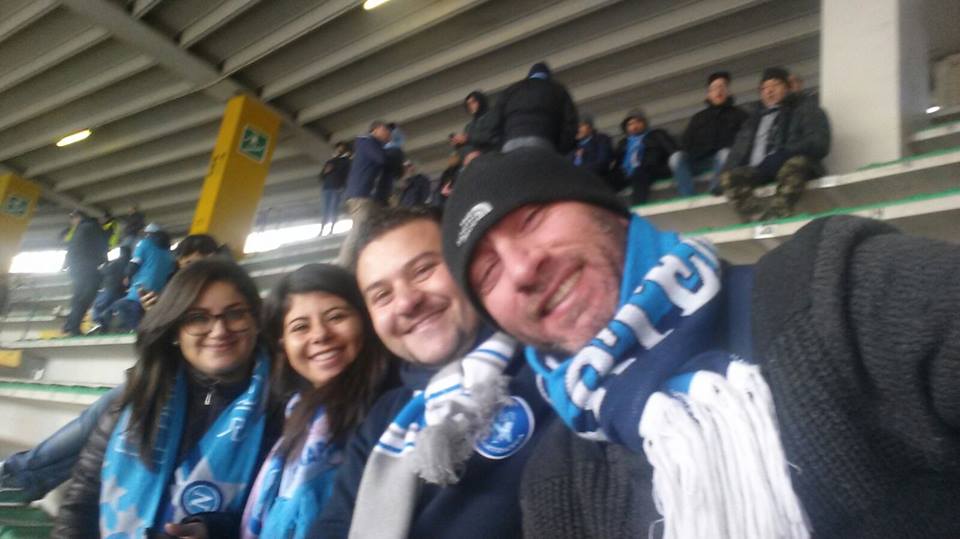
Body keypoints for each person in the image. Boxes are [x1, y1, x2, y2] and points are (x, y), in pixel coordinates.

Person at [441, 148, 960, 538]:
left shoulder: (835, 285)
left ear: (610, 210)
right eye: (489, 273)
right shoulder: (561, 476)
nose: (523, 269)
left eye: (532, 219)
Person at [315, 207, 556, 538]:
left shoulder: (551, 366)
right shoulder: (383, 418)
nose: (406, 302)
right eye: (382, 295)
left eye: (423, 270)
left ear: (467, 264)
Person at [53, 259, 281, 538]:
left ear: (256, 321)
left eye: (235, 314)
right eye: (198, 318)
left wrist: (213, 531)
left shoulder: (282, 409)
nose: (220, 330)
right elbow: (82, 500)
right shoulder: (139, 395)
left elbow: (278, 518)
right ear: (175, 330)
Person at [0, 235, 224, 501]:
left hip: (182, 391)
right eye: (187, 264)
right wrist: (156, 315)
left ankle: (17, 475)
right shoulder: (175, 292)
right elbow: (154, 346)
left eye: (199, 263)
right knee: (93, 427)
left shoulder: (221, 298)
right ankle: (21, 479)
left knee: (99, 431)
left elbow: (202, 351)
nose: (193, 270)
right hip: (154, 378)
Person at [720, 67, 831, 221]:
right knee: (729, 177)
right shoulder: (752, 121)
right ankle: (759, 218)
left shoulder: (806, 109)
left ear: (788, 88)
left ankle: (779, 212)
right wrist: (722, 178)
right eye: (764, 87)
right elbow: (736, 153)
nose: (769, 90)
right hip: (759, 171)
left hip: (791, 165)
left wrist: (783, 154)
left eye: (775, 85)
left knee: (796, 162)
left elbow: (819, 143)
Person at [669, 71, 748, 196]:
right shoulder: (698, 118)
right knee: (676, 157)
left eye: (722, 87)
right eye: (714, 88)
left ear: (728, 92)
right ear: (709, 94)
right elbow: (685, 143)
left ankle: (715, 190)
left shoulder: (740, 115)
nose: (718, 91)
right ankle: (688, 196)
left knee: (724, 153)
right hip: (700, 162)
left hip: (724, 161)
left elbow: (745, 141)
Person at [337, 120, 393, 265]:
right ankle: (343, 266)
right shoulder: (366, 141)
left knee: (371, 232)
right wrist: (392, 151)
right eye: (386, 129)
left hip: (369, 197)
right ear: (375, 129)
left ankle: (366, 264)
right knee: (358, 231)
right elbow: (381, 159)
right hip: (361, 195)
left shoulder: (373, 145)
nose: (389, 133)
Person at [103, 223, 176, 332]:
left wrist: (127, 275)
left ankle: (135, 330)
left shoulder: (145, 243)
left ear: (148, 234)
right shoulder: (168, 251)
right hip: (158, 293)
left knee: (119, 307)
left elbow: (135, 262)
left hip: (141, 288)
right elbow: (170, 273)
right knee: (141, 311)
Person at [493, 61, 578, 154]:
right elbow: (570, 123)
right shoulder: (558, 90)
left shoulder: (510, 90)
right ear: (549, 77)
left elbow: (494, 122)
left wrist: (501, 147)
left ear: (529, 76)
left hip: (510, 144)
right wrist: (559, 150)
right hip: (544, 143)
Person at [613, 109, 677, 205]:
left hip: (651, 169)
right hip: (628, 173)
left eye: (638, 122)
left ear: (644, 123)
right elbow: (617, 162)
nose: (634, 126)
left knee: (639, 172)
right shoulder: (623, 143)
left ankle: (638, 207)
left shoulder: (656, 135)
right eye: (630, 124)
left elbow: (672, 151)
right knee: (607, 180)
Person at [62, 209, 109, 336]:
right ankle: (72, 326)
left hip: (79, 269)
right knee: (85, 297)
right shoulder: (91, 227)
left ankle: (70, 325)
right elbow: (103, 245)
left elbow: (72, 249)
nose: (72, 222)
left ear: (79, 217)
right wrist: (104, 262)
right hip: (88, 268)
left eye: (73, 219)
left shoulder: (83, 228)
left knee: (79, 297)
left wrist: (66, 265)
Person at [451, 90, 500, 166]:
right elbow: (467, 145)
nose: (471, 106)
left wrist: (467, 139)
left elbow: (491, 136)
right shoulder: (469, 126)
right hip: (474, 161)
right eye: (468, 104)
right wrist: (458, 143)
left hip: (492, 155)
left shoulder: (492, 116)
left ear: (481, 101)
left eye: (473, 102)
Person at [569, 114, 614, 187]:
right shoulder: (573, 147)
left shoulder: (601, 139)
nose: (577, 129)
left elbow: (602, 162)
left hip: (596, 183)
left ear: (590, 127)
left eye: (580, 126)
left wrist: (579, 173)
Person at [321, 141, 352, 234]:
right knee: (326, 209)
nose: (339, 151)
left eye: (341, 149)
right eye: (338, 149)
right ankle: (322, 229)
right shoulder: (330, 161)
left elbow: (347, 176)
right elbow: (321, 176)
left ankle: (331, 229)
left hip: (336, 188)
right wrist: (326, 172)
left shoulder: (346, 161)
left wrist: (343, 187)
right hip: (327, 187)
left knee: (333, 209)